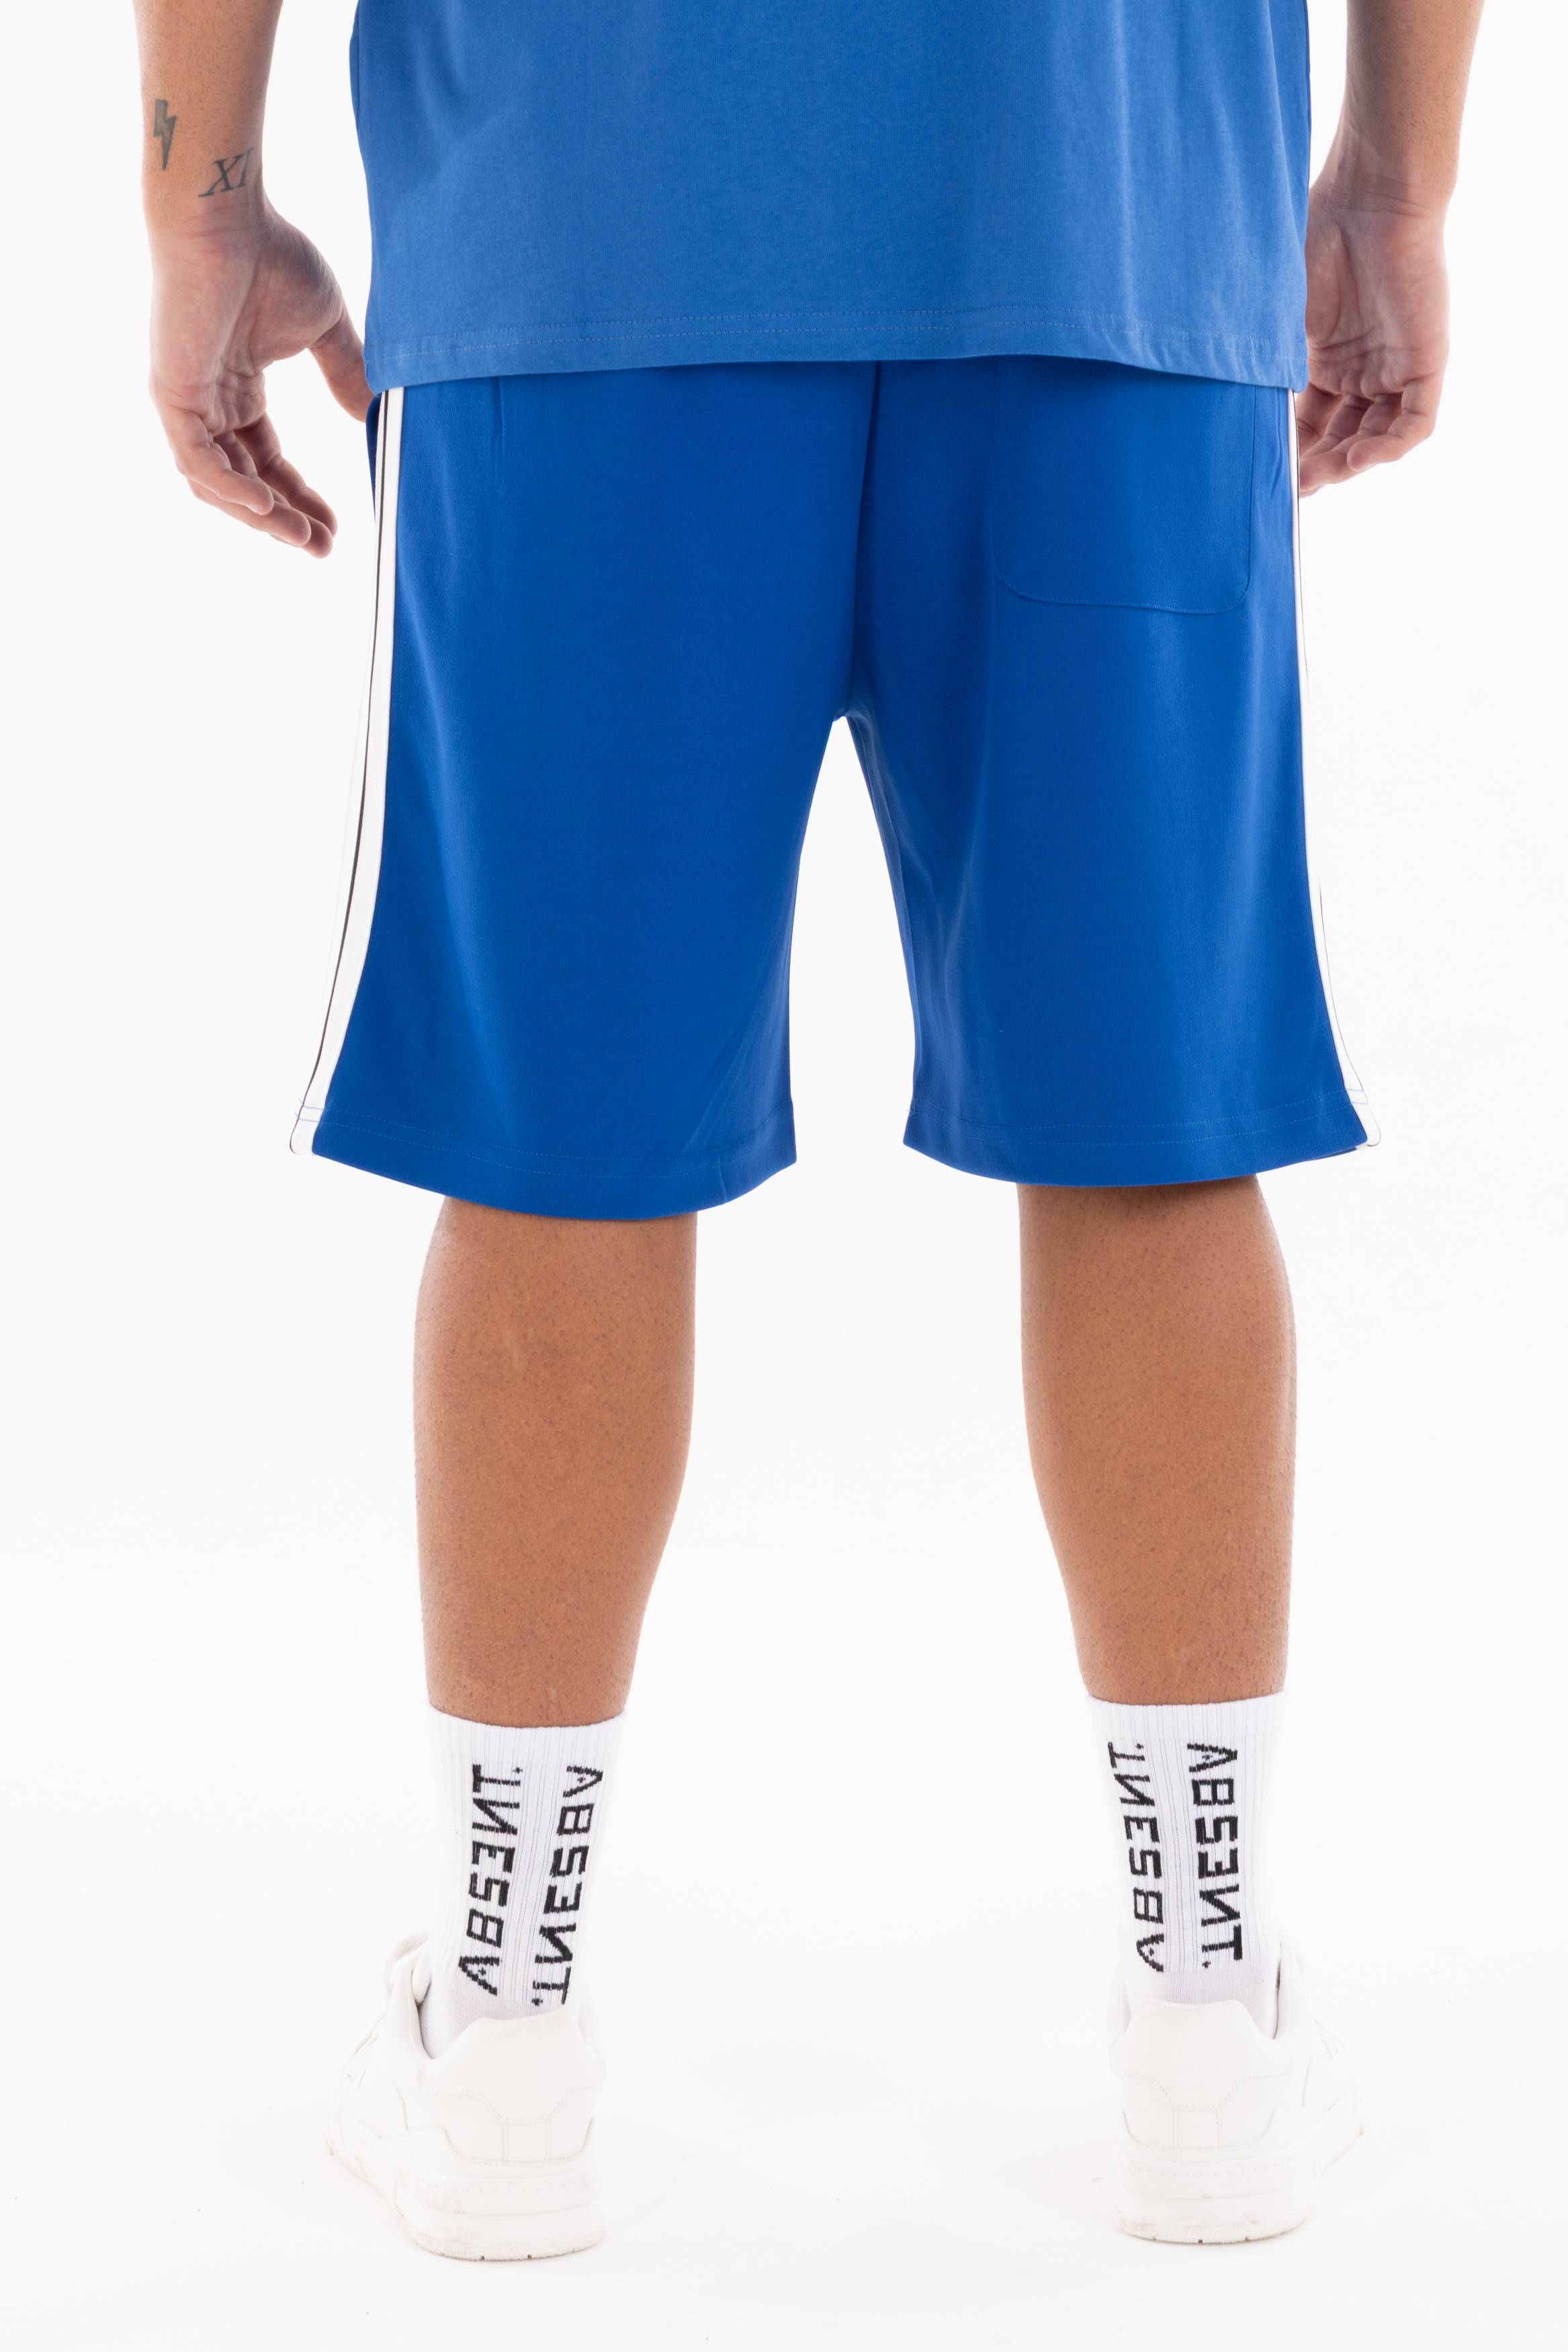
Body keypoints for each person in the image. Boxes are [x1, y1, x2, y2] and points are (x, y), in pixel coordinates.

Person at [132, 0, 1482, 2257]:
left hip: (586, 216)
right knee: (1153, 1122)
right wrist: (1398, 179)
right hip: (1116, 211)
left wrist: (199, 196)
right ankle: (1211, 2014)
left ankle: (506, 2033)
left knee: (559, 1136)